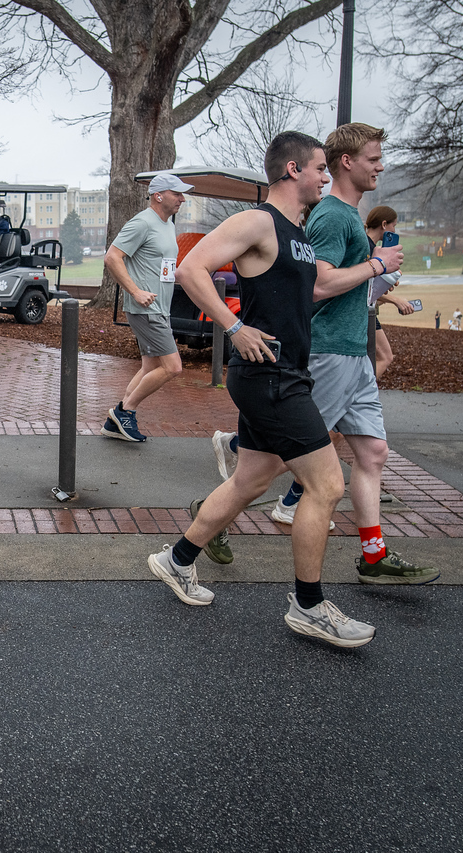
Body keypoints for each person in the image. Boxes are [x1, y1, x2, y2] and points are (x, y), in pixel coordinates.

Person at [152, 131, 380, 647]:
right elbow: (192, 269)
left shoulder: (298, 231)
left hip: (286, 373)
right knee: (326, 486)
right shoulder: (259, 221)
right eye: (321, 168)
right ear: (293, 170)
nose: (327, 176)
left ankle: (177, 559)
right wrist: (233, 329)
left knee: (250, 481)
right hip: (270, 377)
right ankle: (308, 605)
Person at [270, 123, 438, 584]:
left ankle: (374, 556)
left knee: (374, 452)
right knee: (274, 458)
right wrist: (377, 265)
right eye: (373, 158)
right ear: (349, 162)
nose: (380, 166)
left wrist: (373, 275)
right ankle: (215, 509)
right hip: (329, 353)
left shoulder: (347, 217)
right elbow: (319, 285)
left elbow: (346, 285)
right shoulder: (332, 217)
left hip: (354, 353)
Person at [101, 172, 194, 442]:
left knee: (151, 367)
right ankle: (126, 411)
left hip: (160, 307)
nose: (182, 198)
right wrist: (136, 291)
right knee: (173, 367)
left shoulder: (167, 224)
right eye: (177, 194)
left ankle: (114, 420)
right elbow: (112, 257)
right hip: (145, 308)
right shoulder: (142, 222)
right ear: (159, 195)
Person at [363, 206, 413, 379]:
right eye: (394, 226)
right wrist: (395, 300)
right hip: (361, 312)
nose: (394, 231)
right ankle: (361, 394)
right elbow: (361, 288)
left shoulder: (372, 248)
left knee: (382, 357)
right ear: (384, 224)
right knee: (385, 357)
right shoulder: (366, 249)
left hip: (366, 311)